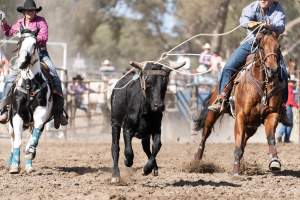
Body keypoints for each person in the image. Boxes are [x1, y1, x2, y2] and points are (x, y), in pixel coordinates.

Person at [207, 0, 290, 125]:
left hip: (269, 46)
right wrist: (253, 24)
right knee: (229, 67)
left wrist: (269, 26)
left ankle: (282, 107)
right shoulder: (251, 7)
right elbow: (243, 21)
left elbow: (281, 26)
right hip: (251, 44)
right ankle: (221, 99)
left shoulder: (278, 9)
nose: (263, 0)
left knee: (283, 72)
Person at [0, 0, 67, 128]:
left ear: (35, 11)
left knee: (55, 78)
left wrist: (28, 37)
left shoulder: (41, 21)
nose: (30, 12)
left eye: (32, 10)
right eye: (28, 10)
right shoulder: (20, 23)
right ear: (24, 12)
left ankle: (59, 112)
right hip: (23, 56)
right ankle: (3, 109)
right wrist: (3, 22)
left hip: (40, 54)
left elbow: (44, 37)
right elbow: (8, 33)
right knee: (9, 79)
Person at [277, 75, 299, 143]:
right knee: (289, 123)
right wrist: (297, 106)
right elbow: (290, 100)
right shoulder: (290, 88)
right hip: (288, 106)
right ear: (290, 82)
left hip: (284, 106)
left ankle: (280, 135)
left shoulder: (285, 87)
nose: (294, 83)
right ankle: (286, 138)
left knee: (286, 122)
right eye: (293, 82)